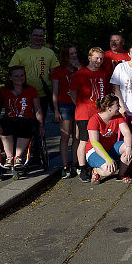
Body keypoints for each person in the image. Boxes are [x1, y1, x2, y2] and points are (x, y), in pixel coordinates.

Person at [0, 66, 45, 180]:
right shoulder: (3, 91)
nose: (19, 78)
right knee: (5, 123)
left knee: (26, 123)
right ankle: (9, 157)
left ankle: (18, 157)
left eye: (22, 75)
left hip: (26, 119)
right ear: (10, 77)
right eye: (16, 76)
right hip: (10, 120)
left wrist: (41, 125)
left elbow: (37, 109)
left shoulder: (31, 90)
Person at [69, 47, 107, 182]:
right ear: (89, 58)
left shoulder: (102, 73)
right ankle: (83, 168)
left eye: (101, 58)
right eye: (96, 58)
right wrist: (79, 105)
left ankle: (95, 164)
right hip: (84, 114)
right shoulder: (80, 73)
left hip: (99, 114)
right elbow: (72, 92)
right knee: (84, 141)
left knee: (96, 140)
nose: (99, 60)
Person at [8, 26, 59, 120]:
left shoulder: (49, 53)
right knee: (23, 121)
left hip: (43, 94)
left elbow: (55, 73)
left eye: (41, 36)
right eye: (35, 35)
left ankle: (39, 135)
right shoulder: (20, 53)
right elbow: (12, 72)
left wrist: (54, 92)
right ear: (30, 36)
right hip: (23, 93)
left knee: (40, 123)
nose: (38, 38)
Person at [86, 94, 132, 184]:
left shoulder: (118, 116)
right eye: (117, 105)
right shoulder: (94, 120)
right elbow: (95, 143)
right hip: (94, 151)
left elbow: (127, 133)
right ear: (109, 108)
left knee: (131, 145)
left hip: (110, 148)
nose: (120, 107)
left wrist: (128, 148)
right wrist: (108, 159)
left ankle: (121, 174)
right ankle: (96, 170)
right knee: (109, 170)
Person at [51, 44, 82, 178]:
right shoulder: (58, 71)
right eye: (71, 54)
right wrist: (56, 110)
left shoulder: (79, 68)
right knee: (65, 135)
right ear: (65, 56)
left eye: (75, 53)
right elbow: (55, 92)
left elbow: (86, 79)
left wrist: (79, 67)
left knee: (77, 136)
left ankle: (75, 163)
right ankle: (65, 165)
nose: (74, 56)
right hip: (64, 105)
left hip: (79, 104)